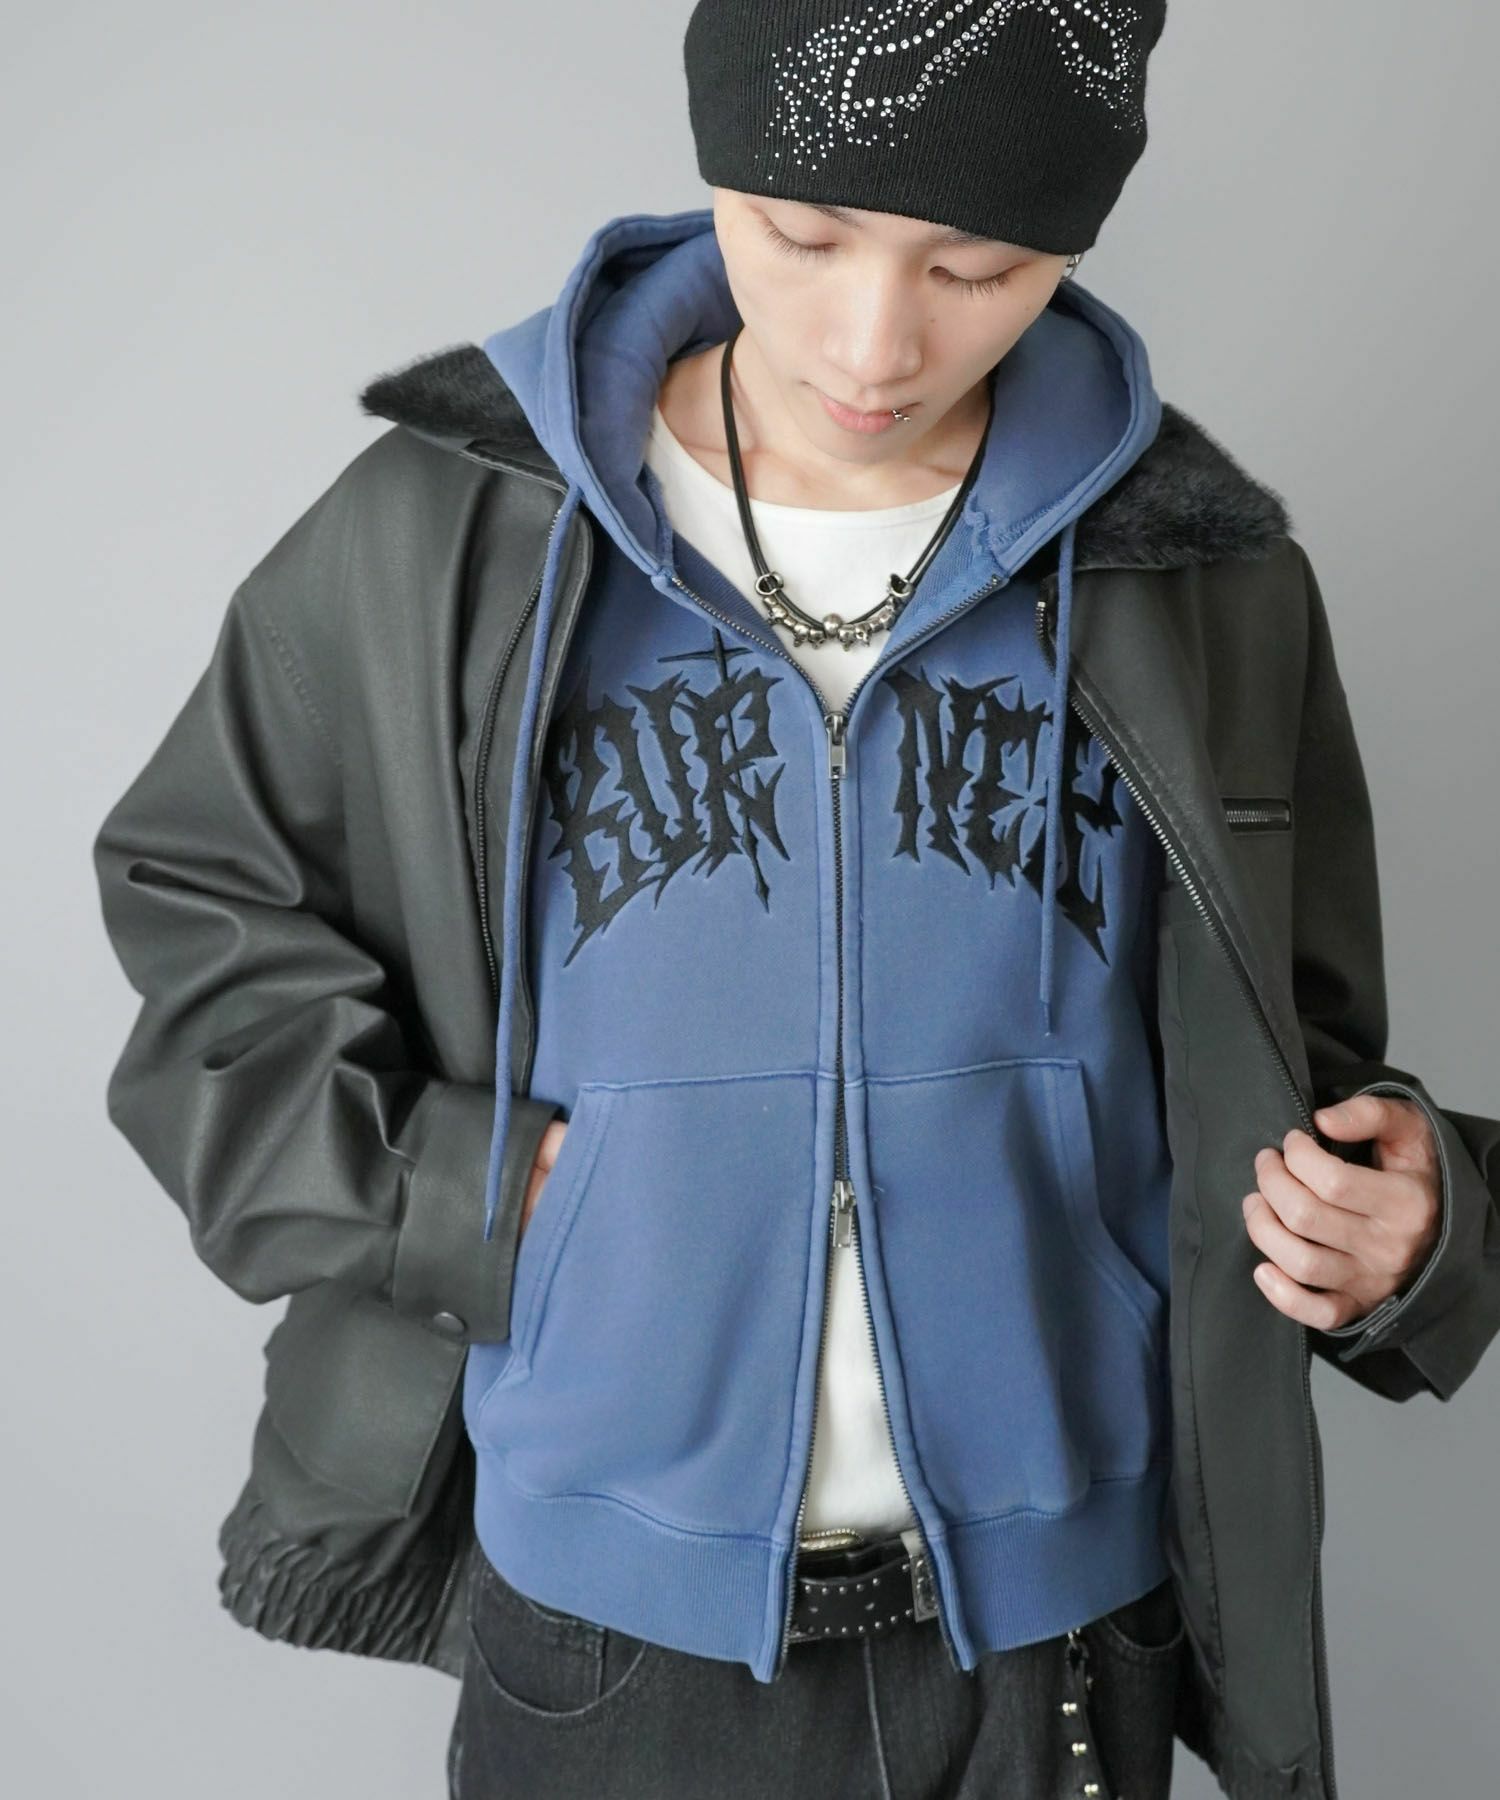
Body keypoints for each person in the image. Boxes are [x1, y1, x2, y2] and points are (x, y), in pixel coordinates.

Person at [91, 4, 1500, 1798]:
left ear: (1070, 244)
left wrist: (1417, 1227)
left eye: (976, 268)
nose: (873, 342)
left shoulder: (1205, 584)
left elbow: (1290, 1067)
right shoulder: (446, 534)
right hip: (614, 1645)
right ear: (717, 169)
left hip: (1061, 1642)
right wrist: (450, 1192)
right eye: (803, 236)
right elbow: (200, 906)